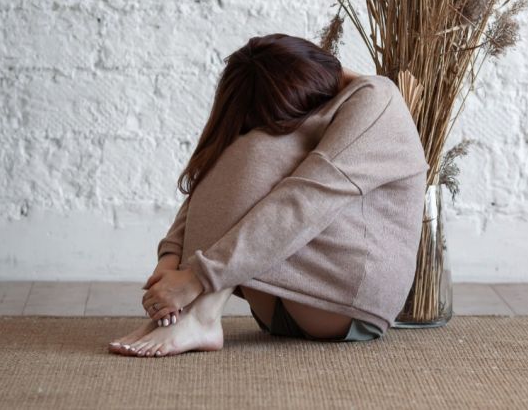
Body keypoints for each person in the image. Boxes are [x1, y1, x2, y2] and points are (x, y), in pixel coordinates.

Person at [108, 33, 429, 357]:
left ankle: (201, 311)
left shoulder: (378, 101)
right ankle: (189, 316)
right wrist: (171, 260)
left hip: (351, 304)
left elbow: (306, 202)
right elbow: (212, 181)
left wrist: (197, 278)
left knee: (260, 150)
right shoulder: (309, 104)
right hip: (281, 305)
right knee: (237, 149)